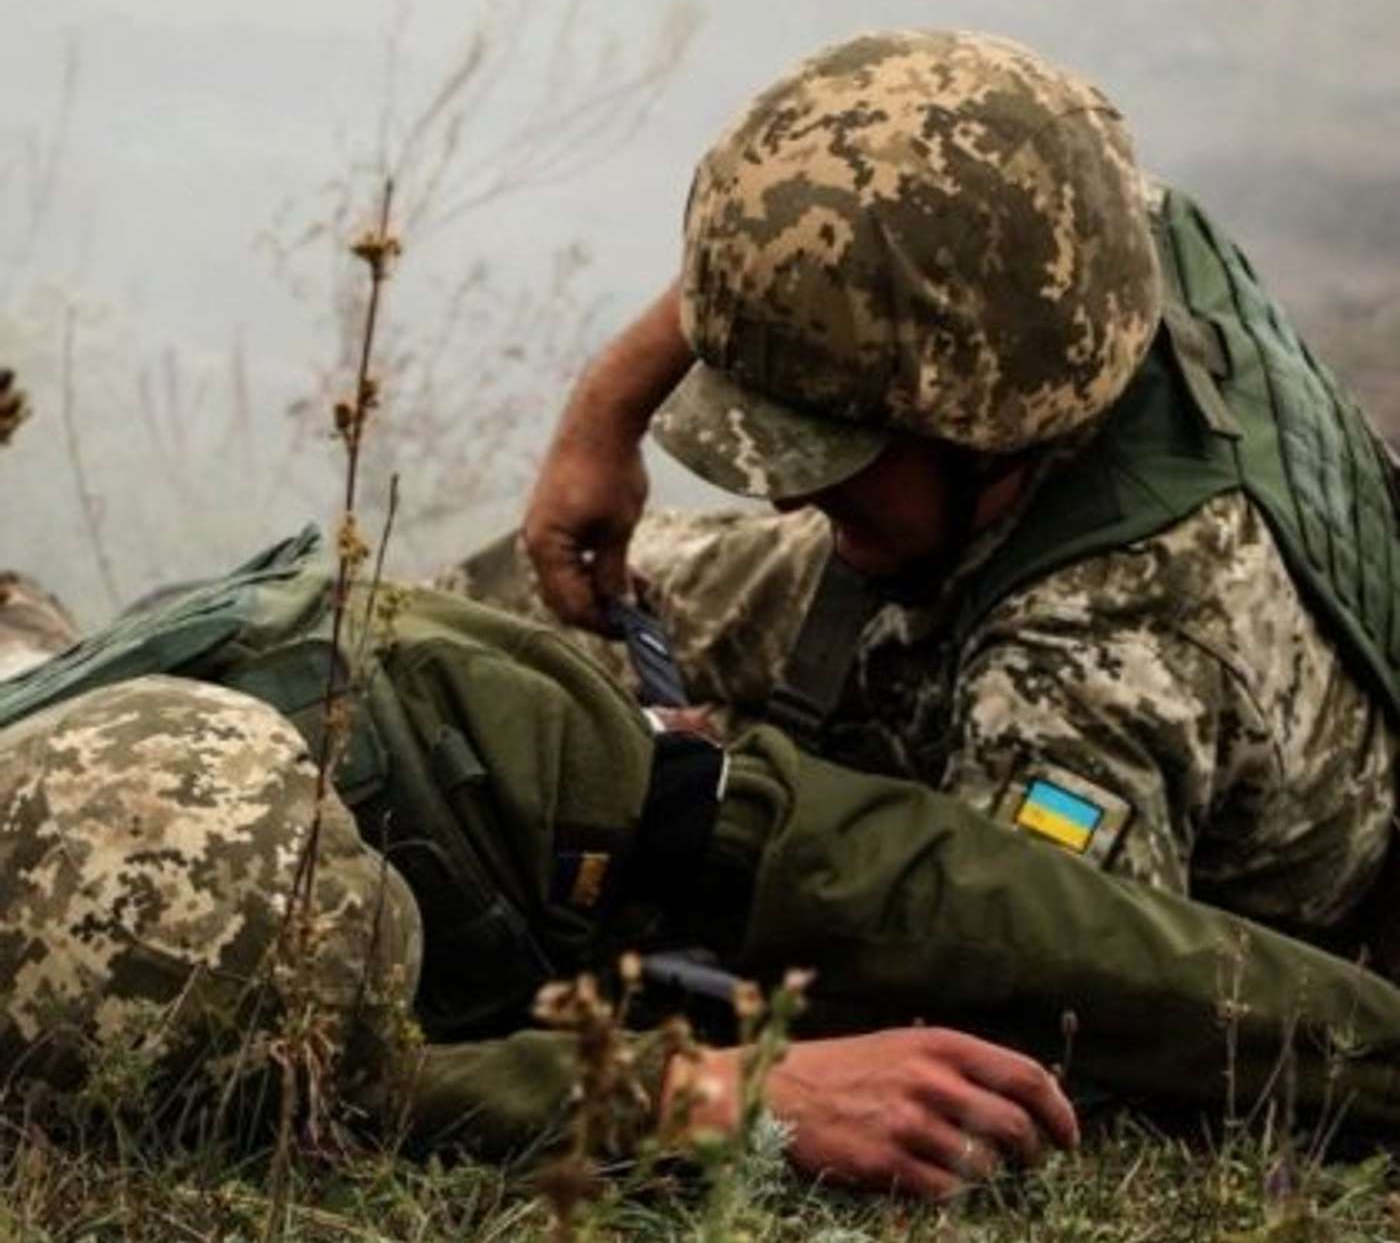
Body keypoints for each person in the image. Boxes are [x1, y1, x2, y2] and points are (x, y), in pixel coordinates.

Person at [6, 540, 1400, 1202]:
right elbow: (360, 1089)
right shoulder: (94, 983)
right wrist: (720, 1090)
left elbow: (894, 877)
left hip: (549, 775)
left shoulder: (435, 730)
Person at [454, 28, 1400, 967]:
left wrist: (711, 817)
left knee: (601, 796)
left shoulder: (1098, 671)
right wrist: (606, 416)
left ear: (982, 423)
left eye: (832, 451)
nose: (789, 500)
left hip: (1137, 846)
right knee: (511, 620)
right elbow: (827, 236)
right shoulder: (1065, 240)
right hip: (976, 548)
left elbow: (1004, 1017)